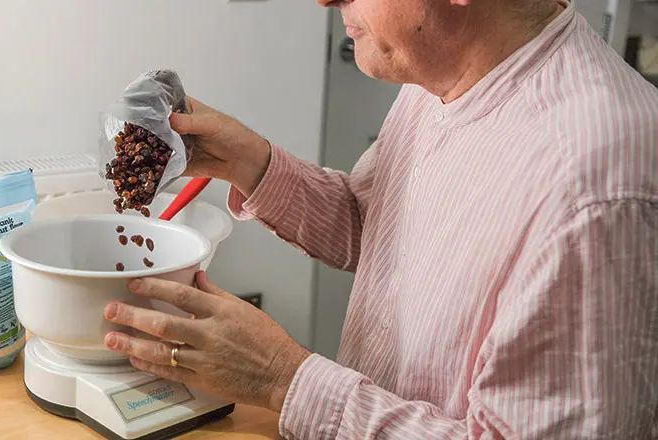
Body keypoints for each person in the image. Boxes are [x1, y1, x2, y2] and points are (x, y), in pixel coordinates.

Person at [102, 0, 658, 437]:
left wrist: (283, 378)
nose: (322, 1)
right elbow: (378, 228)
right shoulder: (443, 72)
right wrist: (251, 162)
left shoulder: (595, 185)